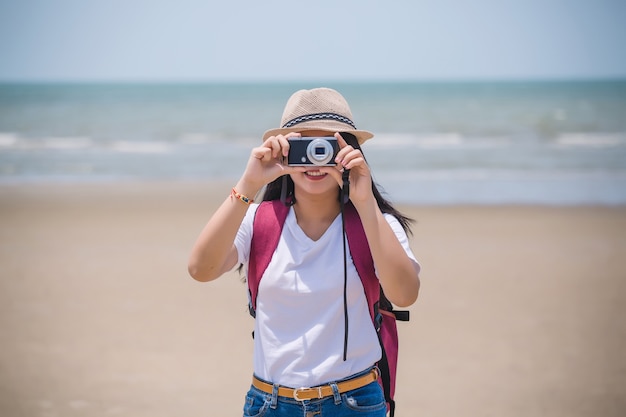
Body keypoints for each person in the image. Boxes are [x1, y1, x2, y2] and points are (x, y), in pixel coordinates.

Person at [188, 87, 421, 416]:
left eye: (326, 147)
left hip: (354, 402)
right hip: (268, 403)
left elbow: (406, 293)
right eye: (303, 146)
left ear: (348, 152)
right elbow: (201, 269)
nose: (315, 159)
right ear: (283, 151)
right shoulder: (257, 221)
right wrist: (248, 184)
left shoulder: (375, 224)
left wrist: (364, 201)